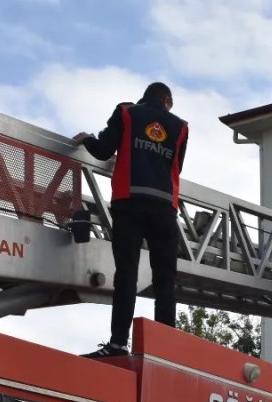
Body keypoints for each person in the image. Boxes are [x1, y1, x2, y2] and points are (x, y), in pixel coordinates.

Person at [72, 82, 188, 358]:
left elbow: (101, 150)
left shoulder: (126, 113)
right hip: (164, 209)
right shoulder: (181, 127)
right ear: (167, 101)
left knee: (126, 275)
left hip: (130, 204)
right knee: (165, 281)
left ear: (144, 97)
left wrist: (87, 138)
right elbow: (175, 166)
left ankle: (118, 345)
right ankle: (165, 351)